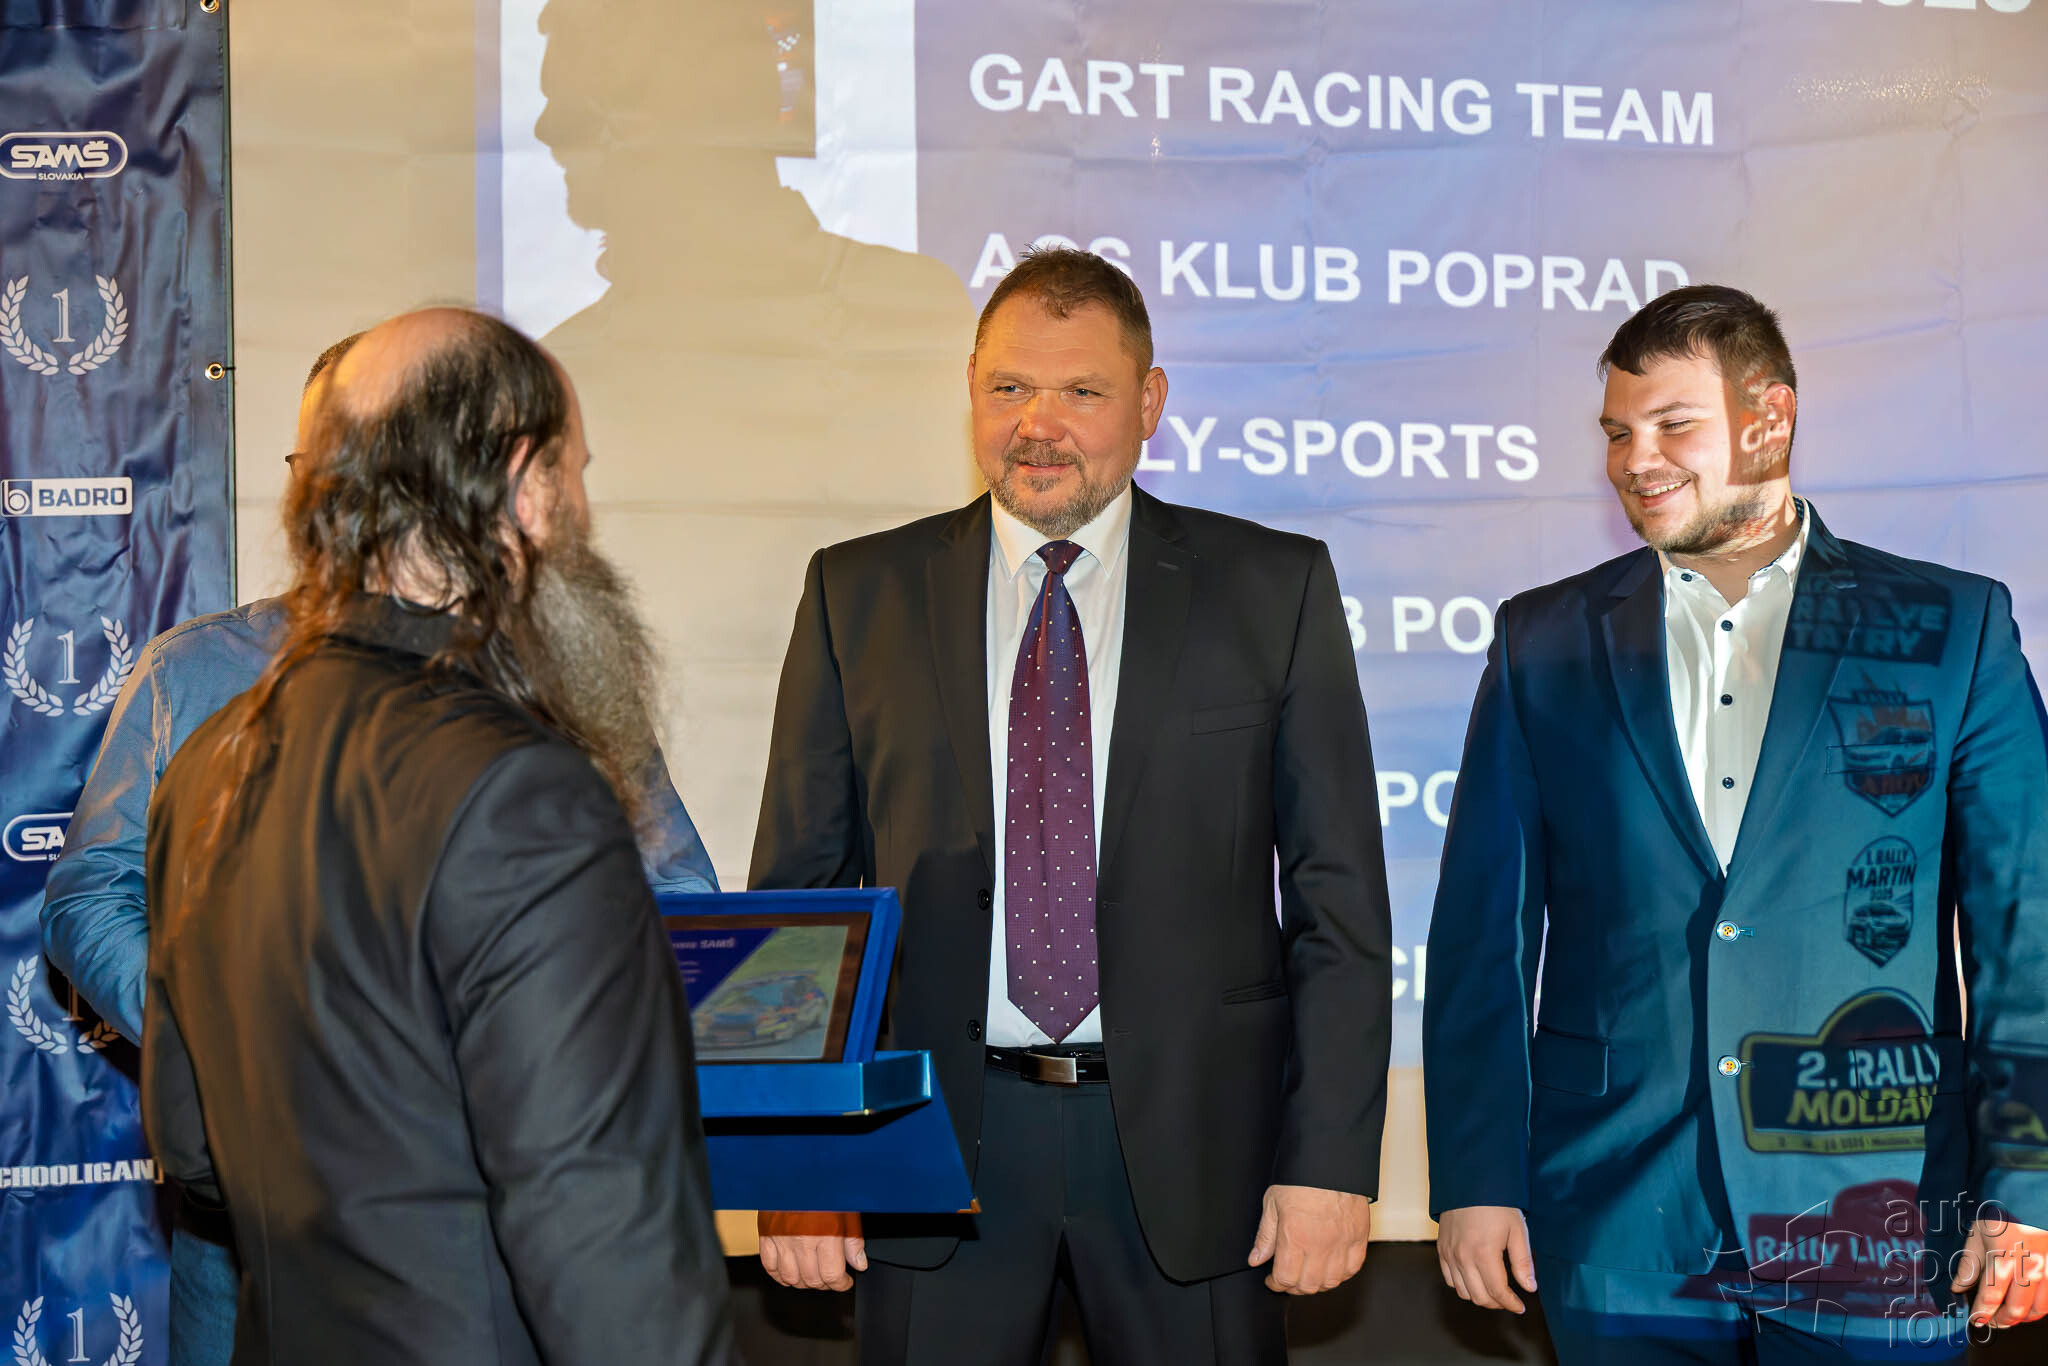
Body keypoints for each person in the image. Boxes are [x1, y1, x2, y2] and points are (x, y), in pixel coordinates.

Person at [750, 247, 1393, 1365]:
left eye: (1081, 391)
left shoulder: (1271, 587)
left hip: (1200, 1157)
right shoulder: (857, 591)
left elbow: (1337, 903)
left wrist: (1330, 1160)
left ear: (1149, 402)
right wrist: (802, 1160)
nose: (1037, 425)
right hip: (929, 1148)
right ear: (969, 391)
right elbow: (800, 897)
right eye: (1008, 387)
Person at [40, 334, 718, 1366]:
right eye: (573, 472)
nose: (582, 508)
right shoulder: (516, 773)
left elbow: (191, 1138)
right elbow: (595, 1226)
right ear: (517, 485)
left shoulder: (218, 757)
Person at [1424, 284, 2048, 1364]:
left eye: (1673, 425)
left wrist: (2029, 1181)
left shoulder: (1952, 626)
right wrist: (1475, 1178)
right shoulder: (1542, 640)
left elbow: (2024, 928)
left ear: (1770, 419)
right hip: (1619, 1213)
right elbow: (1483, 935)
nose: (1636, 461)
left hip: (1884, 1213)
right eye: (1616, 433)